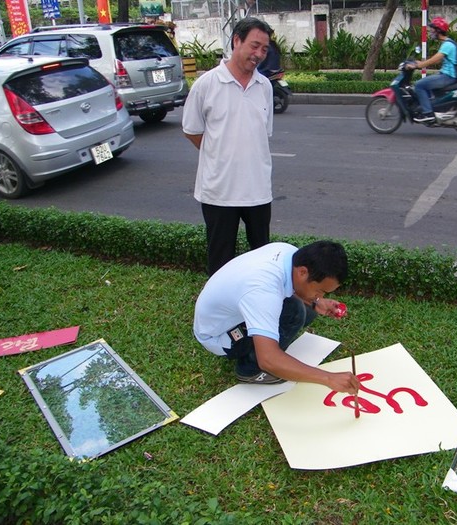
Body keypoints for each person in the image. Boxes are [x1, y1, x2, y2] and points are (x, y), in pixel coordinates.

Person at [193, 240, 360, 394]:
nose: (320, 295)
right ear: (303, 272)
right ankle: (249, 370)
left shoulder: (290, 254)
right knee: (295, 312)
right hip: (220, 336)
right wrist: (328, 378)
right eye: (321, 290)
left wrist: (316, 302)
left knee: (306, 310)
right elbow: (268, 359)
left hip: (231, 313)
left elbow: (287, 289)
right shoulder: (263, 291)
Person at [183, 17, 274, 276]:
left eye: (264, 50)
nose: (258, 54)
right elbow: (192, 131)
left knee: (262, 260)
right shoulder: (206, 85)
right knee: (221, 261)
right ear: (236, 41)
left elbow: (261, 135)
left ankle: (259, 310)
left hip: (257, 190)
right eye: (254, 46)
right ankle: (222, 314)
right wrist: (219, 154)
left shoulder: (264, 86)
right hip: (219, 192)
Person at [407, 17, 457, 124]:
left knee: (419, 85)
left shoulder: (447, 45)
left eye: (432, 30)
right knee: (428, 84)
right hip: (446, 75)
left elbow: (435, 59)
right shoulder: (447, 43)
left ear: (438, 30)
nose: (431, 32)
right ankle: (432, 107)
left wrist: (420, 65)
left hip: (447, 77)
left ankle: (428, 113)